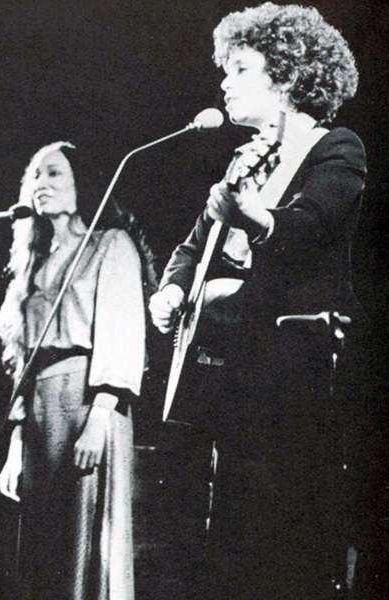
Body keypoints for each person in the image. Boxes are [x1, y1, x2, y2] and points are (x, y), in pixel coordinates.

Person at [149, 3, 366, 599]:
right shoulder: (244, 160)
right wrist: (170, 289)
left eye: (240, 68)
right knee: (223, 539)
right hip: (232, 381)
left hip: (298, 381)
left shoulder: (335, 149)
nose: (223, 82)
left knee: (283, 542)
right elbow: (192, 247)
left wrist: (253, 216)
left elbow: (311, 224)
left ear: (289, 76)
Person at [0, 141, 148, 600]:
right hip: (41, 413)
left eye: (54, 174)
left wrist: (100, 416)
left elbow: (123, 333)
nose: (41, 185)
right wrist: (16, 443)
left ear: (83, 185)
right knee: (44, 549)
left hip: (88, 403)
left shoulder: (110, 245)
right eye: (36, 177)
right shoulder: (32, 268)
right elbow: (24, 359)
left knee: (87, 541)